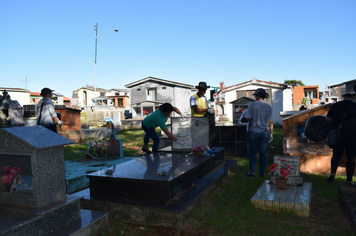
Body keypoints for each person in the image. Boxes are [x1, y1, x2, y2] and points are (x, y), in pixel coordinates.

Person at [326, 89, 356, 185]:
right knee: (351, 157)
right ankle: (349, 180)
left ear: (343, 96)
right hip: (352, 135)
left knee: (336, 155)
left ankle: (332, 174)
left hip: (338, 135)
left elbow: (328, 119)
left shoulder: (336, 105)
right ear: (354, 97)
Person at [242, 88, 273, 177]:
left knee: (252, 153)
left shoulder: (252, 105)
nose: (255, 97)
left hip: (254, 132)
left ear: (258, 95)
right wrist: (271, 133)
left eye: (255, 95)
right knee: (262, 153)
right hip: (265, 132)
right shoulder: (268, 106)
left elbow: (247, 118)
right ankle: (262, 173)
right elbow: (271, 122)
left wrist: (243, 117)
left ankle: (252, 172)